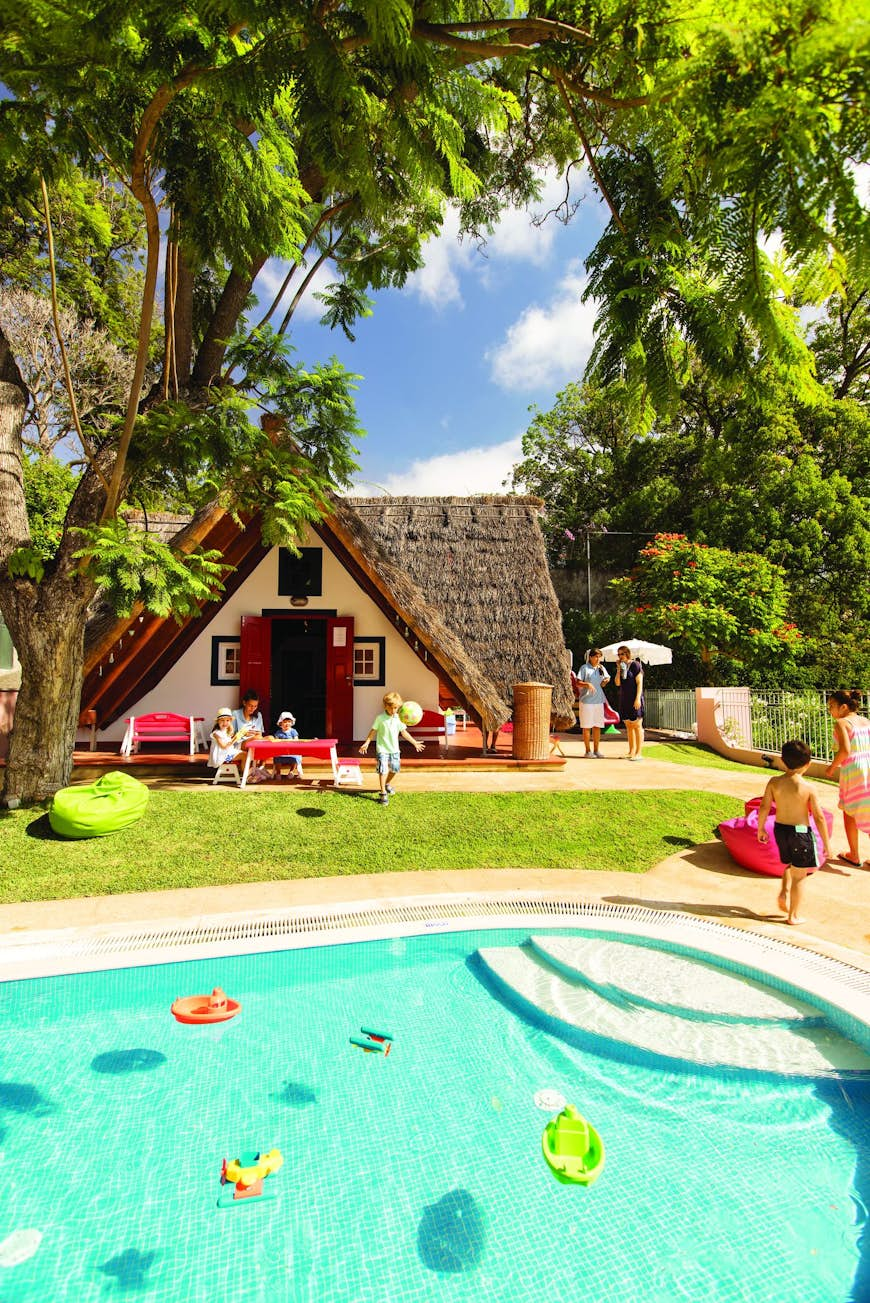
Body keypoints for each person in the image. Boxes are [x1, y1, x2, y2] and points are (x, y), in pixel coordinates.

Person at [757, 738, 831, 925]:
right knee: (800, 876)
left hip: (780, 830)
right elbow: (819, 817)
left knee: (790, 864)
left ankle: (784, 892)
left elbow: (764, 807)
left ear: (782, 760)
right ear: (808, 764)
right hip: (800, 833)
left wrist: (760, 829)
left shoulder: (774, 782)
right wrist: (827, 845)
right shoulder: (808, 788)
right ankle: (793, 916)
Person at [824, 689, 870, 868]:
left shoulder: (841, 723)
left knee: (849, 809)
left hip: (854, 771)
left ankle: (854, 854)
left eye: (832, 706)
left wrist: (831, 767)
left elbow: (845, 751)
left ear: (843, 707)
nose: (830, 710)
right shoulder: (865, 721)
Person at [359, 690, 424, 805]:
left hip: (394, 750)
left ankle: (386, 784)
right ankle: (383, 793)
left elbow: (404, 732)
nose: (394, 711)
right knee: (383, 770)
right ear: (386, 706)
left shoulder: (399, 718)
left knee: (395, 769)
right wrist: (367, 742)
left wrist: (414, 743)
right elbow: (373, 731)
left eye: (396, 708)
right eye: (392, 708)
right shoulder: (380, 718)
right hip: (382, 749)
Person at [574, 649, 611, 758]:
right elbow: (578, 682)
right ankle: (588, 751)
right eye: (596, 656)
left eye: (599, 657)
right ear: (590, 657)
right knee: (587, 727)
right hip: (587, 702)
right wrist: (587, 684)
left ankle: (596, 750)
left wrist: (606, 681)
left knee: (597, 726)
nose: (598, 659)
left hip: (599, 701)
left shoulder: (601, 668)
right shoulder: (584, 668)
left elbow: (604, 682)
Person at [615, 645, 645, 760]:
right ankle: (631, 751)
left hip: (635, 698)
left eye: (622, 654)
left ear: (627, 653)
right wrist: (618, 669)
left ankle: (639, 753)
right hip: (625, 699)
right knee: (629, 726)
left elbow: (639, 683)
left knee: (637, 725)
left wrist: (637, 698)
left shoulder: (635, 665)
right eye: (618, 654)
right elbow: (617, 683)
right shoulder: (622, 667)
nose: (620, 656)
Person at [232, 689, 269, 781]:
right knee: (259, 739)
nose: (253, 708)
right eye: (250, 706)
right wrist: (243, 733)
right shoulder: (235, 714)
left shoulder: (258, 715)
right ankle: (256, 770)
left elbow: (260, 733)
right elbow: (231, 736)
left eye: (255, 706)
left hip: (256, 740)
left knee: (271, 738)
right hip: (239, 743)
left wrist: (256, 735)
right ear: (244, 703)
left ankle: (261, 766)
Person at [208, 708, 245, 774]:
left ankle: (245, 772)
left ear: (230, 721)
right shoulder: (217, 733)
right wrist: (234, 739)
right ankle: (245, 774)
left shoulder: (226, 731)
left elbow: (228, 744)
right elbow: (223, 746)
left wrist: (238, 736)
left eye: (227, 720)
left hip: (227, 753)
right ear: (218, 721)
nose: (225, 723)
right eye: (222, 720)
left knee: (246, 754)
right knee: (245, 755)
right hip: (222, 756)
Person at [273, 710, 302, 781]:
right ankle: (278, 772)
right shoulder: (278, 732)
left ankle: (291, 771)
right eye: (285, 722)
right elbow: (276, 741)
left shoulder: (293, 731)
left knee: (296, 757)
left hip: (291, 751)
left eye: (289, 722)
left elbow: (296, 740)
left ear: (292, 723)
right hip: (281, 751)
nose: (287, 724)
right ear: (280, 723)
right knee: (277, 757)